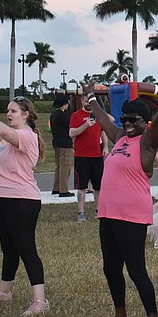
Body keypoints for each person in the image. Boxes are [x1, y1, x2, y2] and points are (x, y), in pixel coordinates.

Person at [83, 76, 158, 317]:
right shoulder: (119, 137)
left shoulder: (146, 142)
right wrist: (92, 97)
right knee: (110, 268)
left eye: (134, 120)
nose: (128, 123)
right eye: (126, 118)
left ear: (145, 123)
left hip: (131, 215)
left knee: (136, 271)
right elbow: (105, 121)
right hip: (108, 213)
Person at [0, 96, 50, 317]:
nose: (8, 114)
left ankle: (40, 300)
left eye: (13, 111)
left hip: (22, 200)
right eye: (7, 111)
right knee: (8, 249)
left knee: (27, 249)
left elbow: (6, 132)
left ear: (26, 114)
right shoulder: (6, 139)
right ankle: (4, 292)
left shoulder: (27, 136)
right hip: (2, 198)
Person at [69, 93, 109, 222]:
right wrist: (86, 125)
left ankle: (99, 210)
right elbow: (71, 133)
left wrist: (106, 147)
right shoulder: (76, 116)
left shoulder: (98, 115)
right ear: (82, 101)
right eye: (86, 101)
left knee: (98, 186)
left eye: (90, 102)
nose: (88, 104)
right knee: (81, 187)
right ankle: (81, 212)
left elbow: (105, 130)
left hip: (97, 155)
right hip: (81, 156)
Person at [50, 94, 74, 197]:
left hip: (56, 142)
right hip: (65, 143)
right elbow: (70, 126)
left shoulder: (53, 115)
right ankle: (63, 190)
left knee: (58, 166)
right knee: (65, 166)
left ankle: (56, 188)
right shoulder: (63, 116)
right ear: (64, 104)